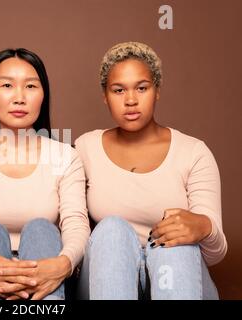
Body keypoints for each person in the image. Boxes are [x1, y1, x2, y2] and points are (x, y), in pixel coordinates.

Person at [75, 41, 227, 300]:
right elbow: (71, 228)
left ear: (156, 90)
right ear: (105, 95)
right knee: (111, 229)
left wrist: (203, 227)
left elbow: (215, 254)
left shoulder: (193, 152)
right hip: (111, 283)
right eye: (118, 90)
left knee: (174, 241)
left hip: (178, 280)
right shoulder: (85, 148)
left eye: (142, 88)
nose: (131, 100)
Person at [0, 48, 90, 300]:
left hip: (46, 271)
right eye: (7, 85)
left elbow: (76, 226)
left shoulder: (66, 157)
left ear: (43, 96)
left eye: (31, 87)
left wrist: (62, 265)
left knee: (42, 230)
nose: (19, 98)